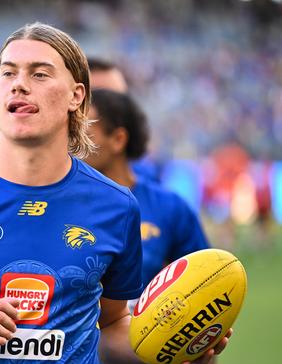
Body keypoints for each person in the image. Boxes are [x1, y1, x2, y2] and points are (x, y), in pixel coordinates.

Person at [0, 22, 228, 364]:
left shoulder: (117, 206)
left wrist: (180, 344)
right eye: (8, 73)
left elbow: (113, 324)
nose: (19, 85)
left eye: (39, 74)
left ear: (77, 96)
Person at [84, 89, 211, 298]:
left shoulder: (170, 207)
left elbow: (205, 283)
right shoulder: (63, 204)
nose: (73, 142)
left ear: (118, 139)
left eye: (85, 133)